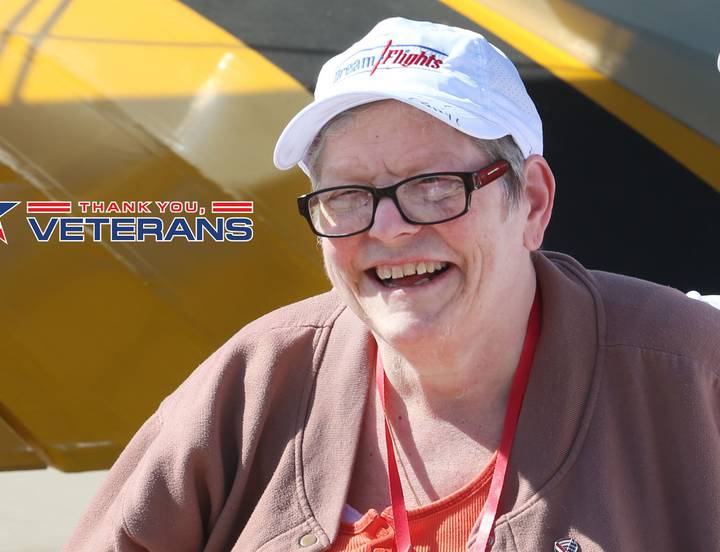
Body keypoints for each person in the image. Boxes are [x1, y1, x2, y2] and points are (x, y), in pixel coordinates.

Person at [65, 18, 720, 552]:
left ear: (534, 203)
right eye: (347, 195)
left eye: (434, 186)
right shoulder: (256, 379)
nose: (388, 227)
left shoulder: (691, 373)